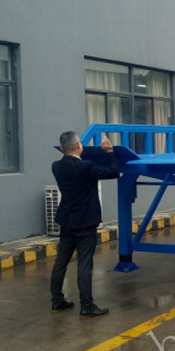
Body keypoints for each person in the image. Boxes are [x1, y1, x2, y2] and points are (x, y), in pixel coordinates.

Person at [50, 131, 120, 315]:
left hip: (66, 221)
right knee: (84, 264)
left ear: (62, 148)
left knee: (61, 262)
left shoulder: (56, 166)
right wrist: (109, 151)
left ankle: (57, 301)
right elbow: (114, 172)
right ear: (79, 145)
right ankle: (87, 306)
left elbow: (73, 165)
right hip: (85, 222)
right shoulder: (87, 167)